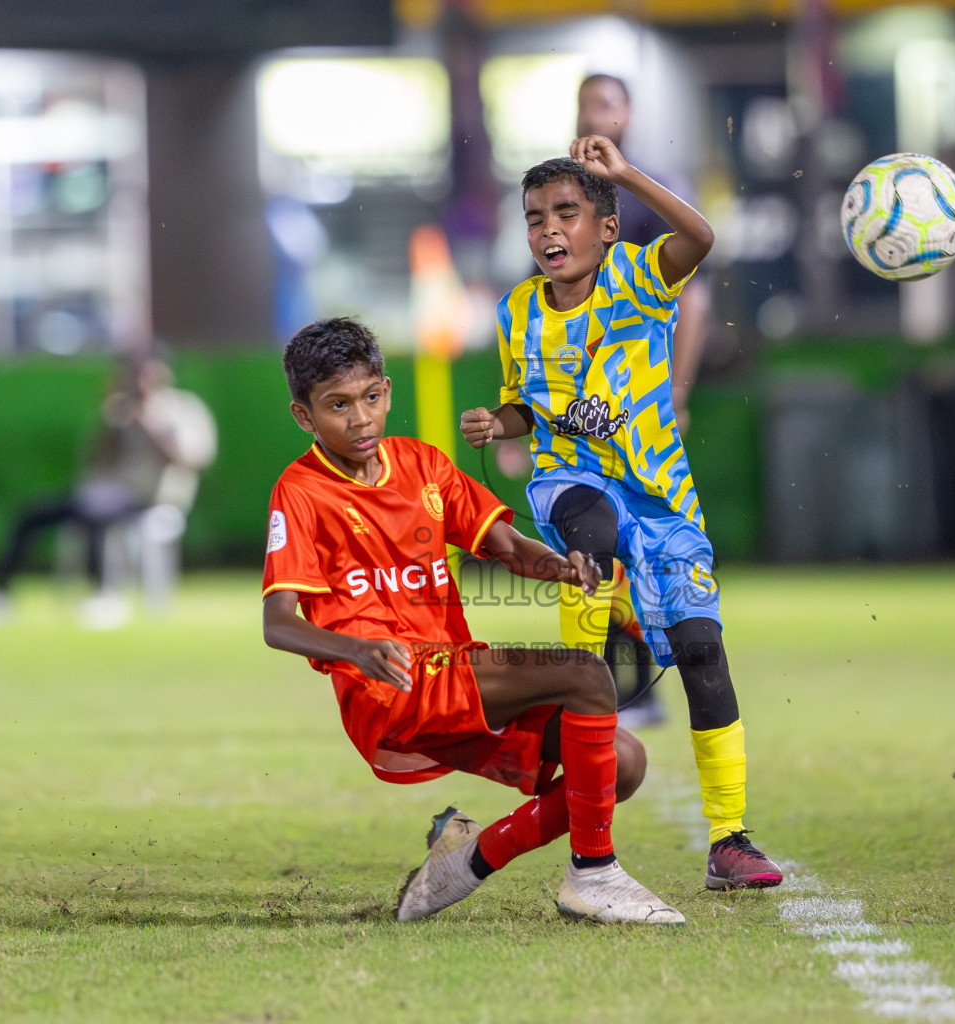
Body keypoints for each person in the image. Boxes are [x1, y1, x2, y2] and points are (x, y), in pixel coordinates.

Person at [261, 317, 682, 926]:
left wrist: (560, 566)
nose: (360, 420)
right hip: (390, 686)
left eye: (371, 398)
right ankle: (594, 875)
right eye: (338, 406)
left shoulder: (423, 466)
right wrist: (355, 648)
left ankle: (469, 861)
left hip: (451, 677)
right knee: (589, 675)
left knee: (625, 762)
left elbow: (507, 547)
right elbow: (278, 622)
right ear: (305, 416)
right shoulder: (300, 492)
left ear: (386, 390)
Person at [460, 138, 784, 891]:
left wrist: (627, 177)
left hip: (661, 497)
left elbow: (700, 238)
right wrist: (497, 425)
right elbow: (527, 409)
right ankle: (585, 687)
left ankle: (729, 840)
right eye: (534, 216)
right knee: (592, 537)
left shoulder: (638, 277)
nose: (548, 230)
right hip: (569, 483)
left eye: (567, 213)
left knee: (702, 650)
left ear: (606, 229)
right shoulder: (516, 312)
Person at [577, 73, 712, 727]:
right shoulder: (560, 195)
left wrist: (675, 393)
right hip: (579, 408)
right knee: (589, 552)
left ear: (628, 112)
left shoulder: (647, 193)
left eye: (608, 103)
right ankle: (608, 689)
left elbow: (695, 296)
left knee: (643, 550)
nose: (599, 115)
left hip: (637, 407)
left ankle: (648, 688)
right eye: (589, 104)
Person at [0, 359, 216, 621]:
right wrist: (112, 423)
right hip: (105, 495)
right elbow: (97, 460)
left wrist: (149, 423)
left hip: (154, 501)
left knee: (101, 522)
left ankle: (106, 595)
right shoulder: (120, 412)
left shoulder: (182, 410)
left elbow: (189, 460)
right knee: (30, 515)